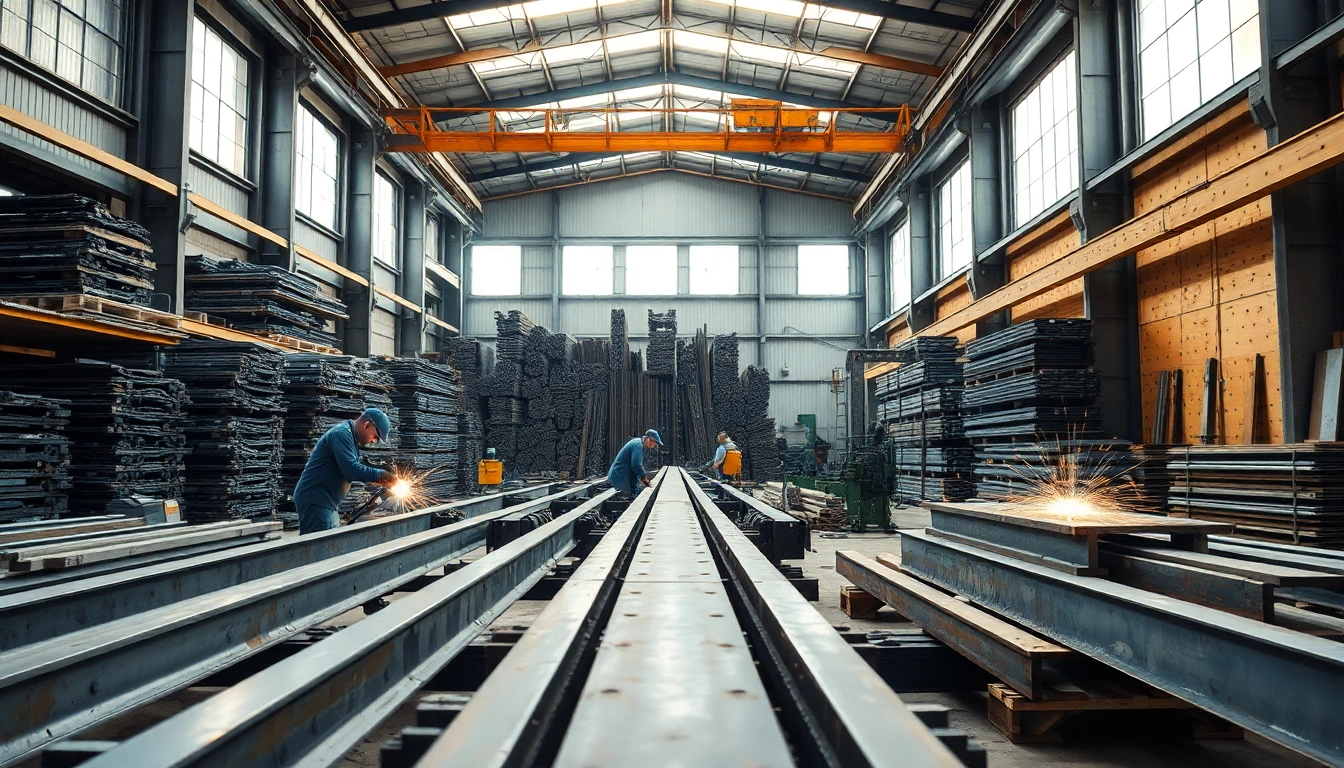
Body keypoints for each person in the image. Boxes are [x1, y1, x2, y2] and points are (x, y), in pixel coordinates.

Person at [293, 408, 396, 534]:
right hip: (316, 501)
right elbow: (351, 469)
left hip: (327, 503)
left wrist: (377, 485)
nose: (374, 441)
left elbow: (348, 472)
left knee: (330, 545)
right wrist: (380, 474)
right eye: (375, 436)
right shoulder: (341, 434)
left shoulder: (350, 438)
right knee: (320, 548)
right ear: (367, 424)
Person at [608, 429, 662, 497]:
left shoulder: (638, 444)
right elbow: (636, 465)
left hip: (623, 475)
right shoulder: (637, 445)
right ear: (649, 439)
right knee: (625, 496)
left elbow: (634, 469)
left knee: (632, 494)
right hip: (619, 475)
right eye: (655, 443)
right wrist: (643, 477)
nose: (654, 445)